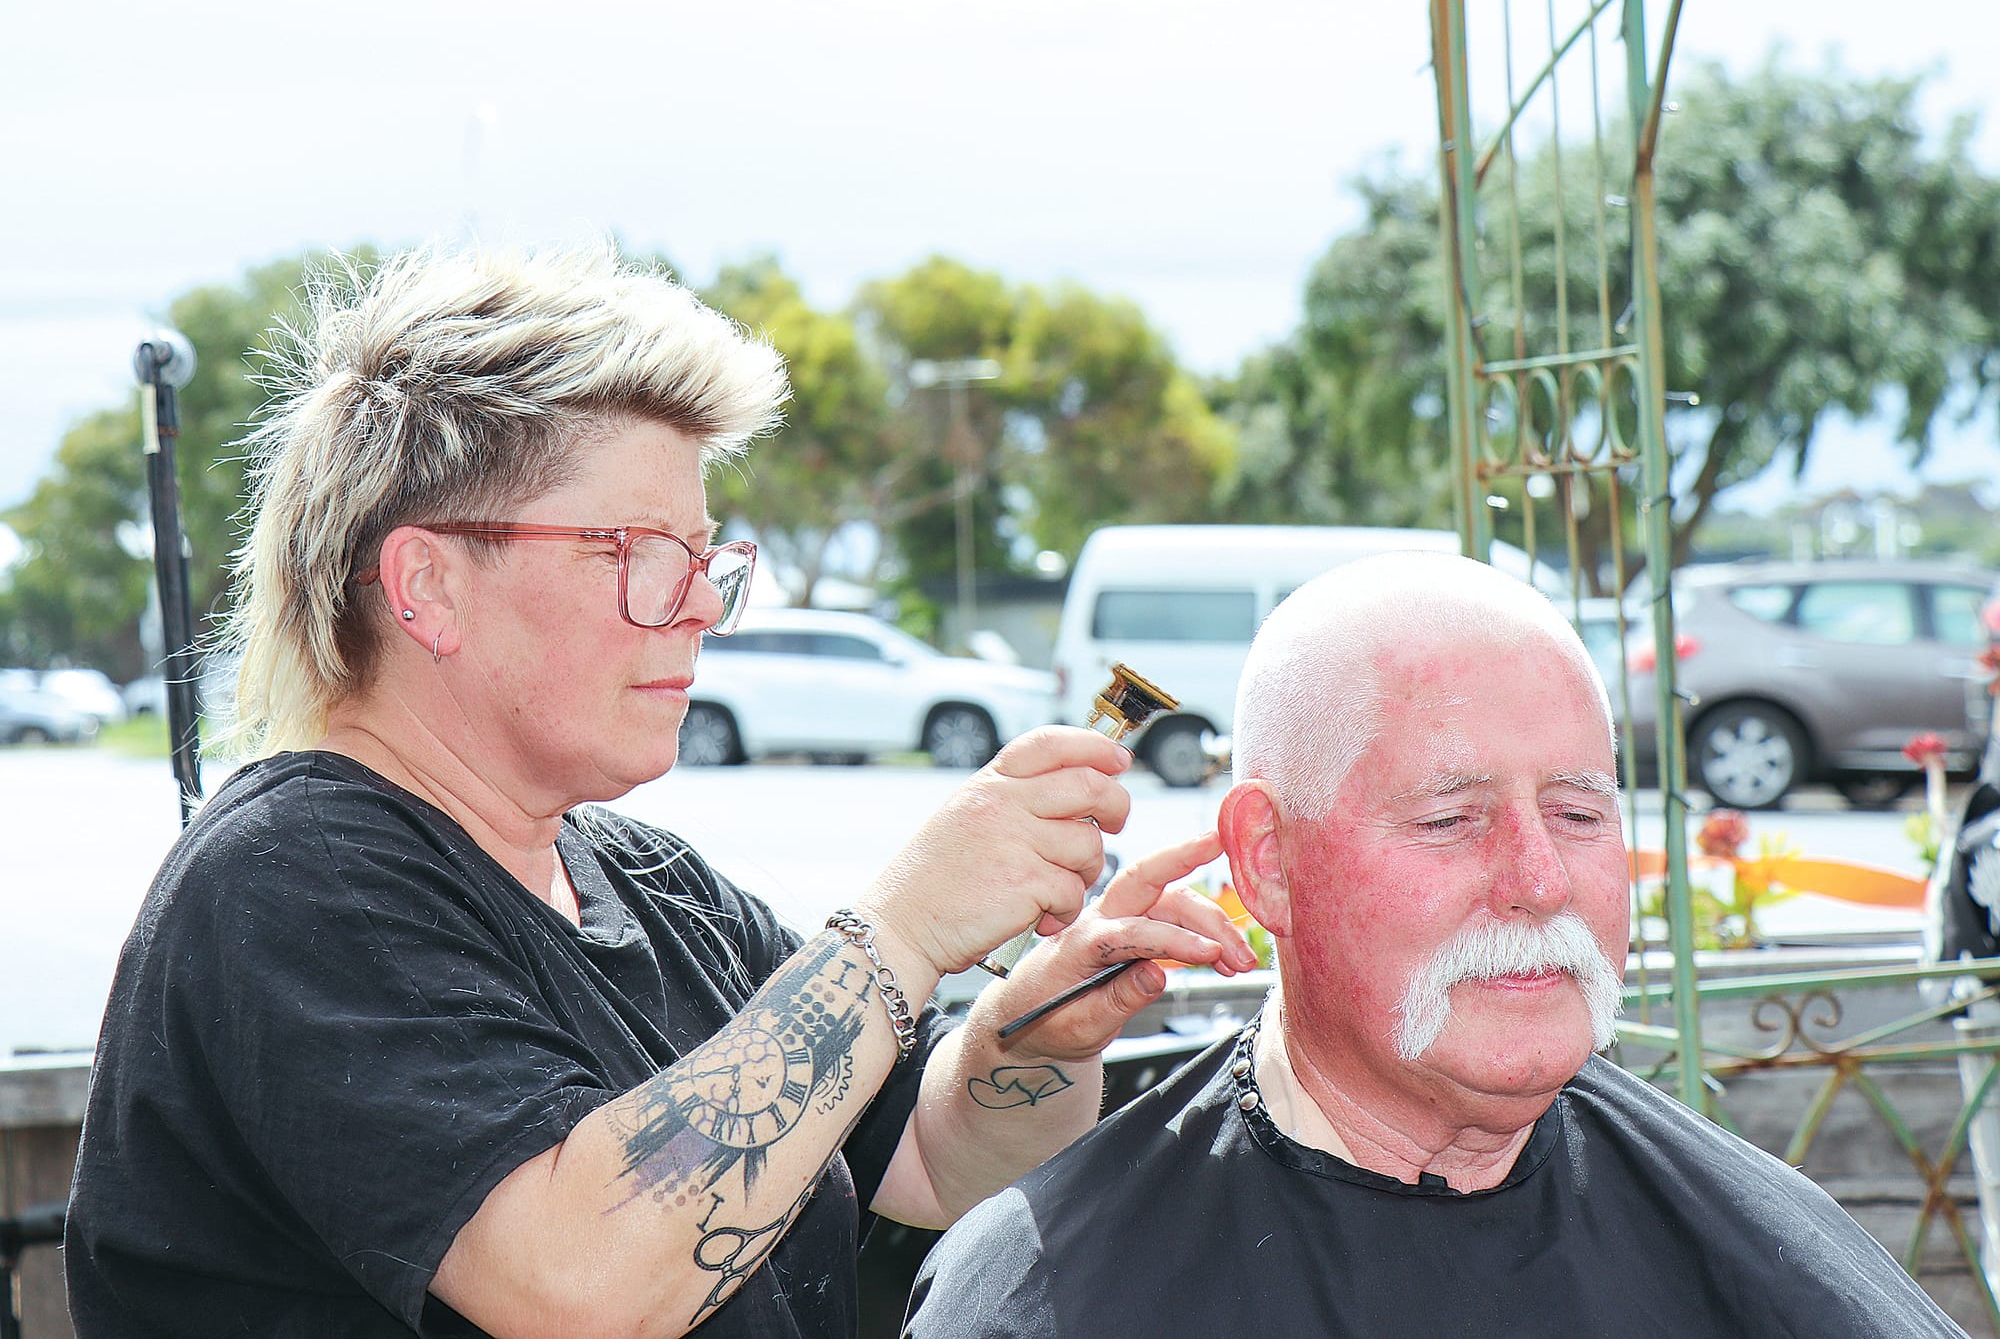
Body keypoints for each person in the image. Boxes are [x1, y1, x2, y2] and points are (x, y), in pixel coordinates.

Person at [65, 246, 1259, 1339]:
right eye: (635, 551)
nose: (696, 607)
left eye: (704, 559)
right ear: (427, 585)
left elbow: (942, 1160)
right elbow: (578, 1285)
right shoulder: (287, 880)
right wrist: (898, 934)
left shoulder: (653, 884)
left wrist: (1043, 1023)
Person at [906, 552, 1960, 1337]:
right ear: (1268, 860)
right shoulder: (1053, 1291)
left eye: (1579, 814)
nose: (1539, 880)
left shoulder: (1764, 1246)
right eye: (1450, 820)